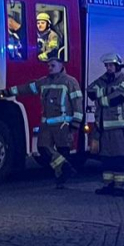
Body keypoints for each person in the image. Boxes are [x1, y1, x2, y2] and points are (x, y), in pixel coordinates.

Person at [8, 51, 82, 187]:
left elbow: (77, 103)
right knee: (42, 148)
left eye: (53, 65)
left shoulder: (70, 82)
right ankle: (66, 168)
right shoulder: (43, 81)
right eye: (48, 66)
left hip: (63, 124)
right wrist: (7, 92)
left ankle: (61, 178)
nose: (50, 68)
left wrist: (75, 124)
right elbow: (26, 89)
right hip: (47, 125)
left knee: (63, 151)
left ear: (61, 65)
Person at [88, 51, 124, 195]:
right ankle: (108, 185)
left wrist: (102, 97)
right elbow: (90, 91)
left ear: (117, 66)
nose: (108, 68)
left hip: (119, 128)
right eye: (106, 65)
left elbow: (119, 97)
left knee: (119, 158)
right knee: (106, 159)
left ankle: (120, 187)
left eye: (110, 65)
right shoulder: (103, 80)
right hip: (103, 128)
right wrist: (109, 91)